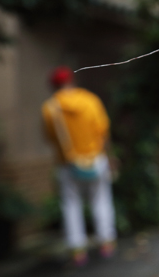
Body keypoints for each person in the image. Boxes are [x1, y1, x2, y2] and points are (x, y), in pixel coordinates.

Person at [41, 66, 116, 266]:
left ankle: (77, 251)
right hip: (96, 160)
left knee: (71, 206)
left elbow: (50, 138)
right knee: (101, 201)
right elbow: (103, 132)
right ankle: (106, 243)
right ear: (72, 80)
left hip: (67, 164)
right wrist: (109, 156)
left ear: (53, 85)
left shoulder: (50, 108)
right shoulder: (90, 100)